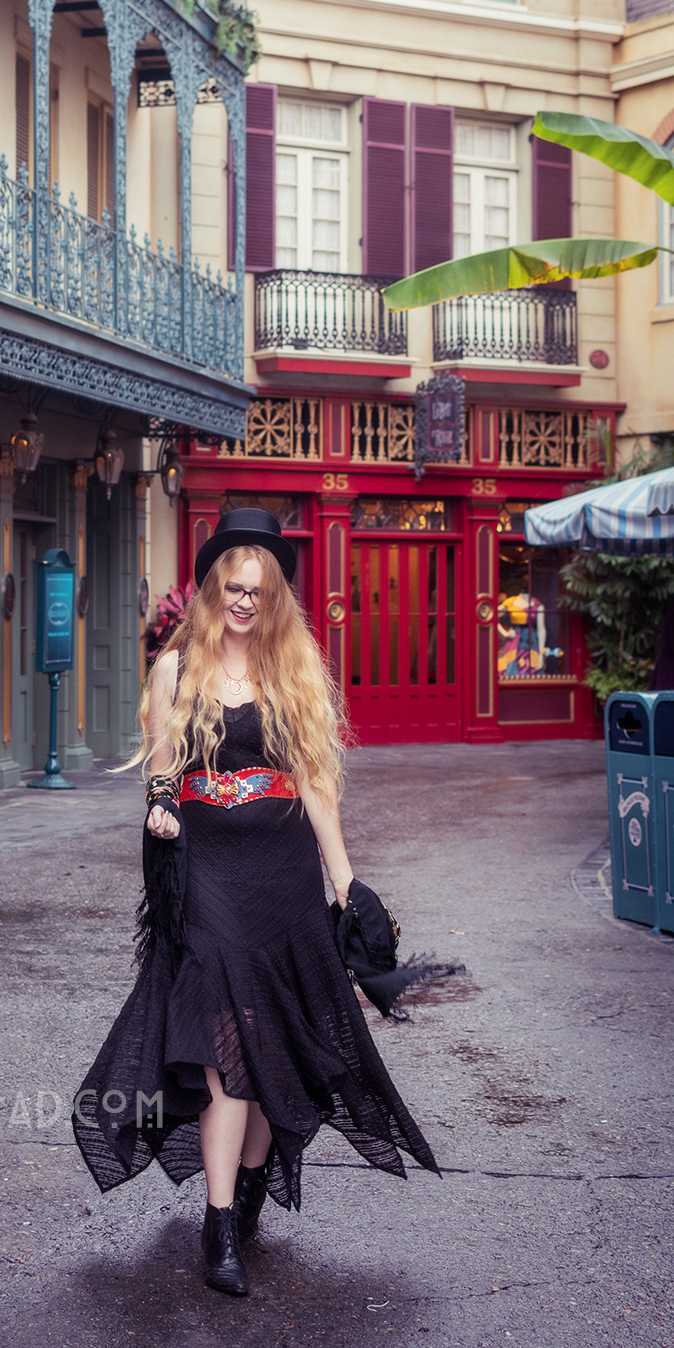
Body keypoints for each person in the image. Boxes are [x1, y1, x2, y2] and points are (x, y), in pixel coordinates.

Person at [72, 509, 441, 1298]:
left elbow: (313, 780)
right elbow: (163, 768)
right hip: (206, 877)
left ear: (275, 596)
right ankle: (219, 1227)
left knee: (279, 1046)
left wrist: (343, 878)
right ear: (212, 589)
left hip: (282, 879)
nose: (243, 601)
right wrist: (161, 805)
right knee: (226, 1053)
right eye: (232, 588)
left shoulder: (292, 666)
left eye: (257, 590)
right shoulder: (176, 668)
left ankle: (245, 1184)